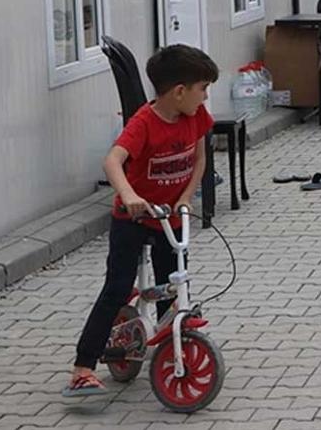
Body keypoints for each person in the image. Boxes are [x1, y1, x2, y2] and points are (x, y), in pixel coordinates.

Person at [64, 45, 218, 396]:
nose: (206, 96)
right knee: (117, 287)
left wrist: (184, 198)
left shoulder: (195, 117)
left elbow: (199, 161)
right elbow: (112, 162)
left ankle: (171, 345)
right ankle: (83, 367)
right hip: (132, 218)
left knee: (174, 285)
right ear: (180, 91)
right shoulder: (144, 123)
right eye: (203, 88)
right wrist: (130, 196)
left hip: (168, 217)